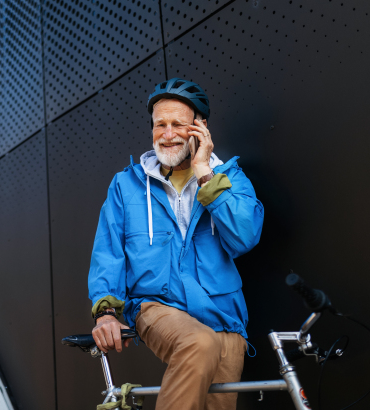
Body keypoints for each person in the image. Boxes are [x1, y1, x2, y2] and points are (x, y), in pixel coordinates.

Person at [87, 78, 264, 410]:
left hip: (224, 315)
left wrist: (204, 174)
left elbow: (245, 237)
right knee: (198, 342)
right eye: (159, 125)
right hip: (157, 304)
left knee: (211, 360)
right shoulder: (127, 184)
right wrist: (107, 312)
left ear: (200, 127)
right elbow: (109, 250)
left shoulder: (229, 177)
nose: (167, 134)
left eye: (177, 125)